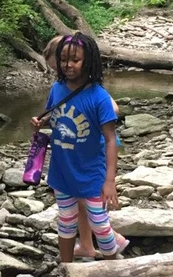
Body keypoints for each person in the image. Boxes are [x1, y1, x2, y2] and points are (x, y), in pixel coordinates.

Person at [31, 34, 127, 263]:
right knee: (65, 219)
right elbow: (56, 115)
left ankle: (115, 273)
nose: (68, 65)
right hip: (62, 170)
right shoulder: (57, 88)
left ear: (89, 61)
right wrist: (41, 122)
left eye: (75, 60)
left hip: (91, 172)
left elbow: (111, 140)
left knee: (100, 224)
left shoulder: (99, 97)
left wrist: (110, 180)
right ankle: (67, 269)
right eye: (64, 59)